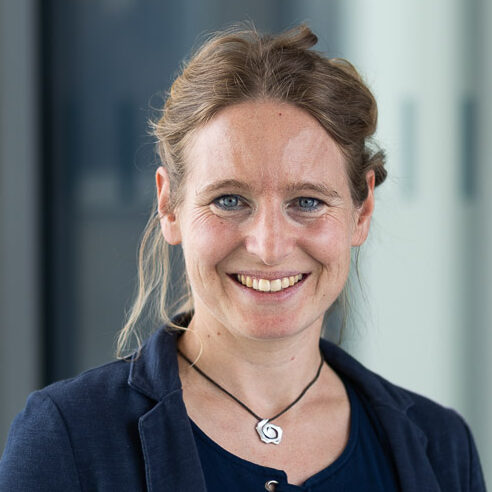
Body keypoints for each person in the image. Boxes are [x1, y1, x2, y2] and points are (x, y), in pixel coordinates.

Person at [0, 24, 486, 492]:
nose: (269, 248)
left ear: (362, 213)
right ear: (169, 206)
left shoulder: (442, 447)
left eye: (308, 201)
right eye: (229, 200)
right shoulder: (67, 440)